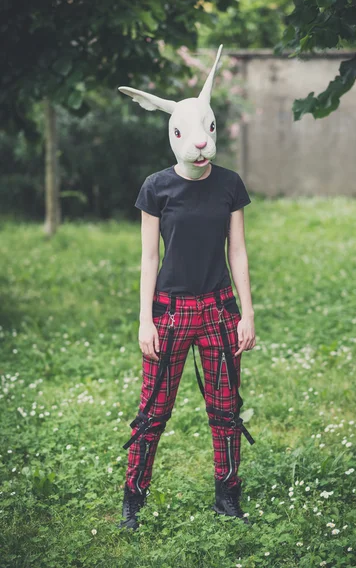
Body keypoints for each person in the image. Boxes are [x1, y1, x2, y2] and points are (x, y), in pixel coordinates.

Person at [117, 45, 256, 531]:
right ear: (172, 133)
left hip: (219, 310)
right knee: (153, 410)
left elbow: (237, 252)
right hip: (169, 312)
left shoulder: (230, 185)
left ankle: (228, 496)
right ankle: (133, 498)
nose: (199, 144)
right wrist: (144, 319)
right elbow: (148, 257)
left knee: (225, 409)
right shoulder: (155, 188)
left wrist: (247, 313)